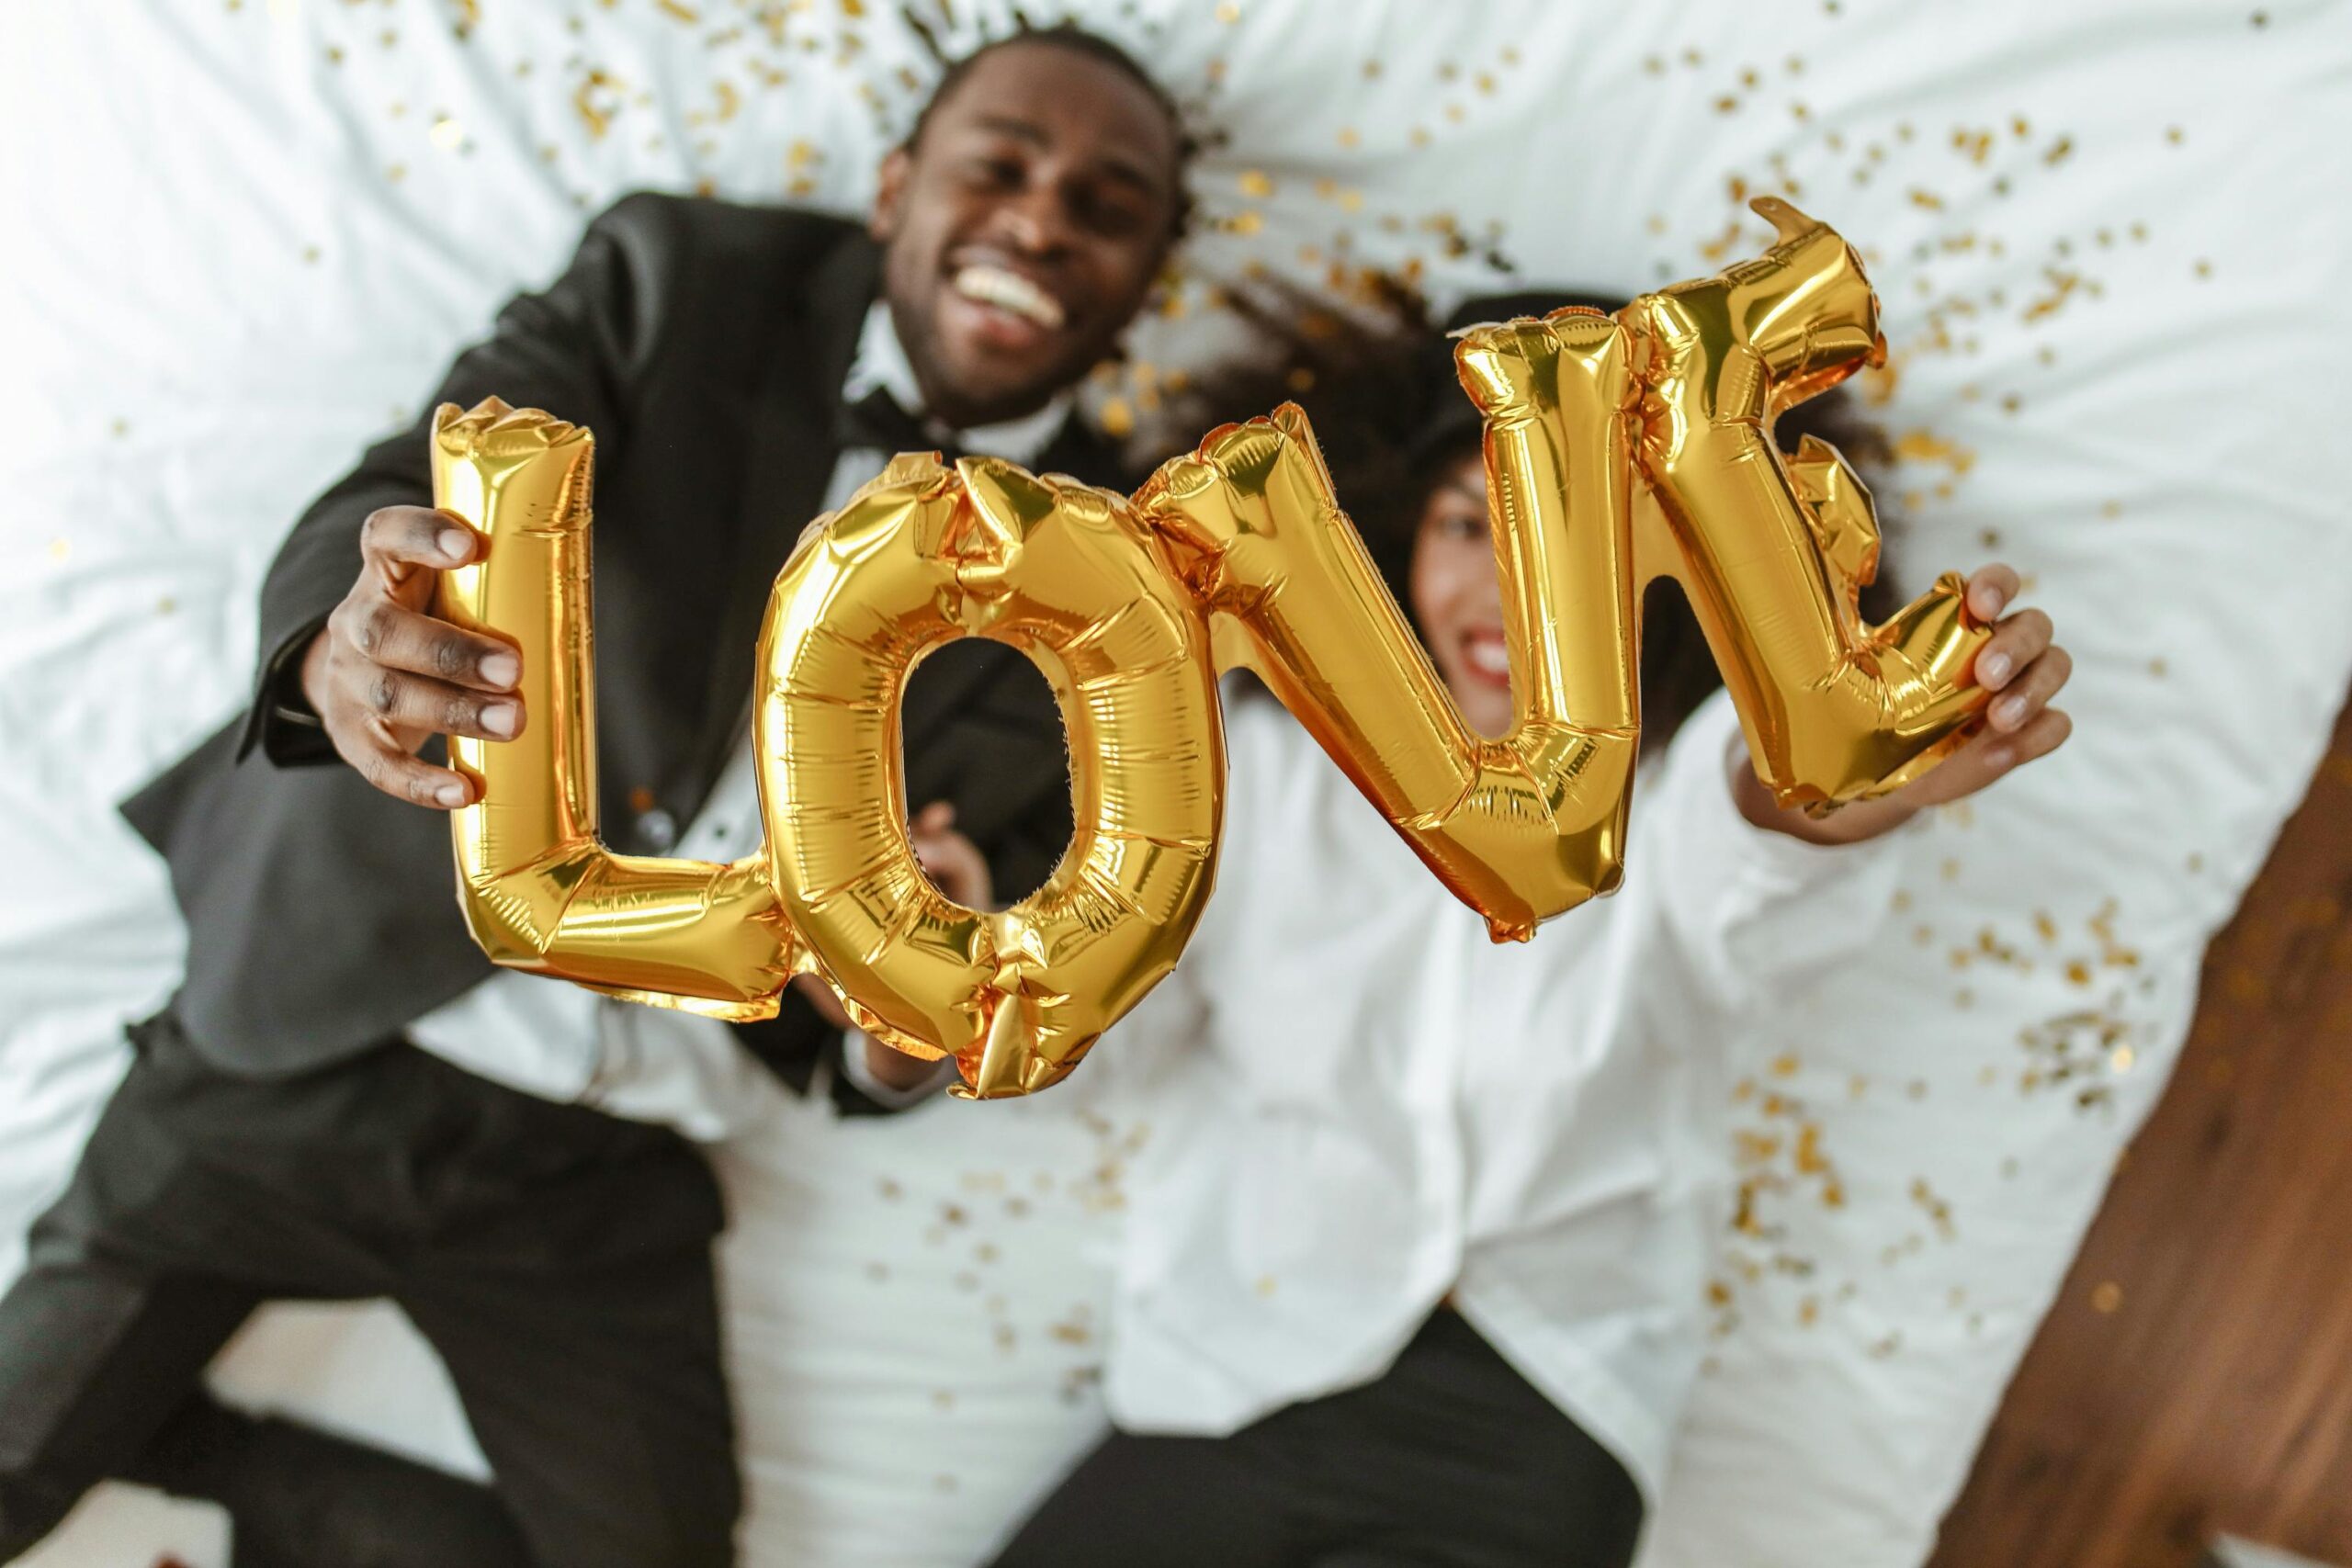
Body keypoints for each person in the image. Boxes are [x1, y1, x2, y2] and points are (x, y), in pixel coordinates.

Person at [0, 23, 1192, 1568]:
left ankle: (211, 1460)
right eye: (1003, 166)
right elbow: (409, 482)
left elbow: (971, 986)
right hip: (321, 1032)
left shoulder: (1110, 594)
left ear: (1148, 272)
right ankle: (133, 1427)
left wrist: (923, 1004)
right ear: (897, 186)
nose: (1041, 221)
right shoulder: (681, 278)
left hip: (601, 1170)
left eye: (1108, 206)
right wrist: (340, 649)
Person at [978, 292, 2074, 1568]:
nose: (1510, 587)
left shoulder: (1679, 783)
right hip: (1235, 1370)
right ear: (1394, 538)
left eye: (1576, 542)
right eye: (1467, 523)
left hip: (1535, 1407)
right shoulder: (1251, 778)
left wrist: (1829, 783)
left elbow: (1758, 840)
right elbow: (1119, 1046)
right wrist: (999, 983)